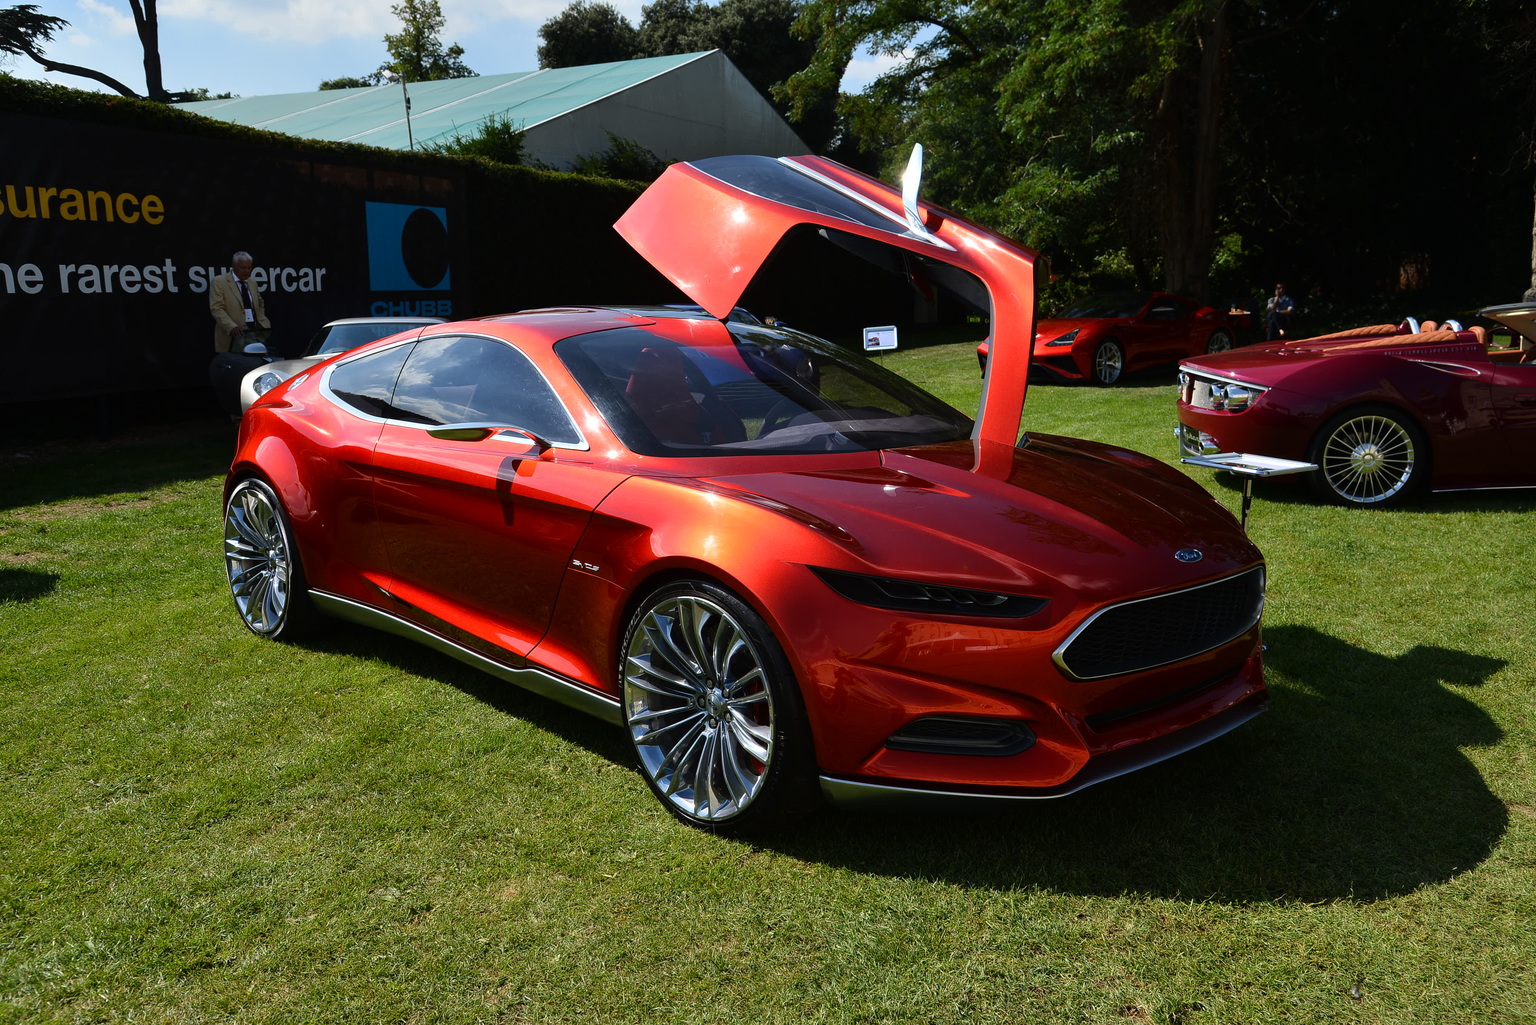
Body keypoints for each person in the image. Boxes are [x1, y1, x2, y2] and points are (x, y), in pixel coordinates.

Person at [209, 251, 271, 353]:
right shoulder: (219, 282)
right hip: (233, 336)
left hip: (253, 333)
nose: (246, 271)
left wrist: (260, 319)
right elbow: (216, 308)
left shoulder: (252, 282)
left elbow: (260, 302)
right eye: (243, 267)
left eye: (249, 268)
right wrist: (231, 326)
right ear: (234, 266)